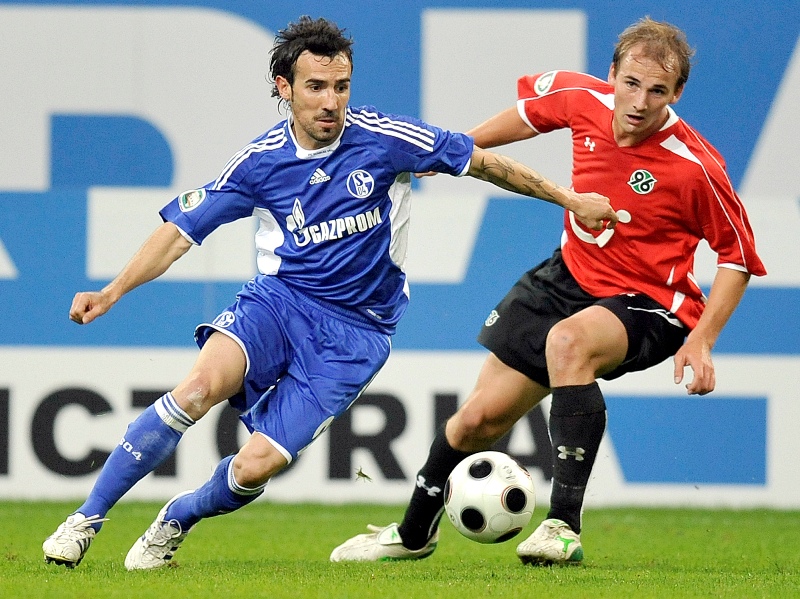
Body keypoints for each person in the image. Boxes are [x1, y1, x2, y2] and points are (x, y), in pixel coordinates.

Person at [41, 16, 617, 570]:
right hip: (278, 302)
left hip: (356, 334)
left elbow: (484, 163)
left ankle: (177, 518)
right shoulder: (260, 163)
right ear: (284, 88)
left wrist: (571, 201)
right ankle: (84, 520)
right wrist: (113, 290)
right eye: (315, 87)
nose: (330, 101)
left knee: (255, 467)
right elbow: (179, 233)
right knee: (196, 389)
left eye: (340, 86)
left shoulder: (387, 140)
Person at [330, 16, 766, 566]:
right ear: (612, 75)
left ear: (676, 94)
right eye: (630, 83)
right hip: (568, 278)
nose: (638, 101)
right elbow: (530, 116)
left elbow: (738, 259)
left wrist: (702, 340)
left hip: (654, 303)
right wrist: (457, 152)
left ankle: (562, 525)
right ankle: (413, 533)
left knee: (568, 344)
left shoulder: (695, 166)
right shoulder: (581, 95)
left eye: (657, 91)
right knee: (476, 420)